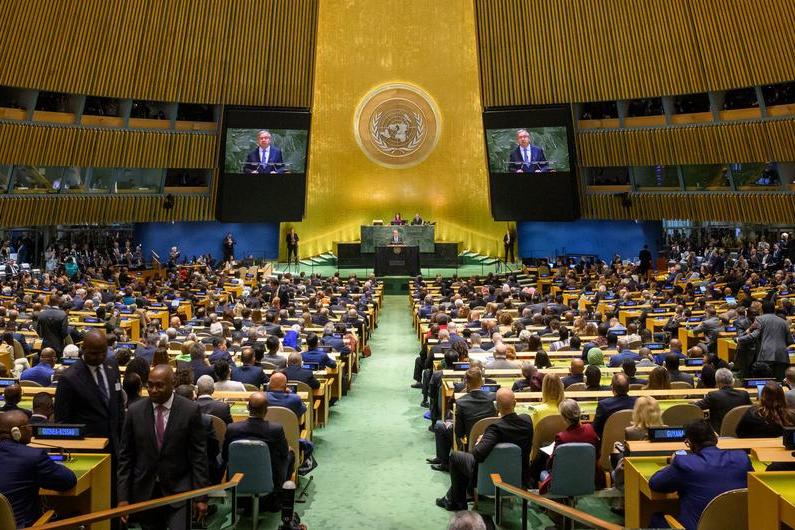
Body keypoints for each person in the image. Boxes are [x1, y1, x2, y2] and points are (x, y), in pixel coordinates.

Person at [118, 365, 209, 529]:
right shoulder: (134, 411)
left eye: (159, 385)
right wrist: (123, 498)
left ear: (173, 383)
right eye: (150, 385)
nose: (153, 390)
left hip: (180, 490)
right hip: (145, 490)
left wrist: (201, 496)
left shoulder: (190, 410)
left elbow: (198, 456)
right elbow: (126, 457)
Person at [436, 388, 533, 511]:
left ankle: (457, 502)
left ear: (496, 406)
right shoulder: (527, 421)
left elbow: (477, 454)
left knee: (455, 457)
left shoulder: (495, 429)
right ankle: (451, 497)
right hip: (519, 476)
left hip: (493, 476)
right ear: (515, 403)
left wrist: (481, 440)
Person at [648, 420, 752, 530]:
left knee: (656, 519)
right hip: (740, 526)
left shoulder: (685, 463)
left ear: (689, 443)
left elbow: (655, 483)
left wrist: (673, 463)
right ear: (715, 437)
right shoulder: (742, 458)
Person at [0, 410, 77, 528]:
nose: (31, 430)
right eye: (28, 426)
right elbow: (68, 481)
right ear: (16, 432)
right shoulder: (32, 456)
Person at [54, 331, 125, 451]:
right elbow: (62, 421)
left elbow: (118, 403)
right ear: (83, 349)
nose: (100, 357)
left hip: (115, 444)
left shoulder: (112, 365)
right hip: (86, 446)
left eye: (103, 352)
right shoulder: (69, 378)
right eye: (94, 353)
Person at [222, 392, 293, 507]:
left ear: (247, 407)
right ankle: (277, 497)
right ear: (266, 410)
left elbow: (225, 456)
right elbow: (284, 453)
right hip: (269, 478)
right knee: (290, 454)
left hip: (238, 479)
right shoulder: (275, 429)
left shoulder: (232, 428)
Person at [428, 368, 496, 472]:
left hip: (469, 441)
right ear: (482, 381)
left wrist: (451, 423)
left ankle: (444, 462)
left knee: (440, 425)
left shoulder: (461, 402)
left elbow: (459, 433)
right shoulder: (493, 397)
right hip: (490, 439)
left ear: (466, 383)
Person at [537, 399, 602, 493]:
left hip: (564, 481)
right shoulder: (590, 429)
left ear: (564, 418)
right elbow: (597, 455)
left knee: (542, 472)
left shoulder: (561, 437)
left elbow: (552, 464)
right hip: (589, 479)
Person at [737, 300, 794, 380]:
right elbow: (790, 341)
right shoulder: (784, 322)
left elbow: (754, 335)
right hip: (782, 356)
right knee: (780, 382)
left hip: (766, 355)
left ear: (762, 310)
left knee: (765, 381)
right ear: (774, 309)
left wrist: (739, 339)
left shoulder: (759, 319)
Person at [695, 368, 752, 432]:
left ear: (717, 382)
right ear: (732, 381)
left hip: (719, 433)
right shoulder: (744, 394)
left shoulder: (713, 395)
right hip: (741, 432)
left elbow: (694, 407)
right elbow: (753, 409)